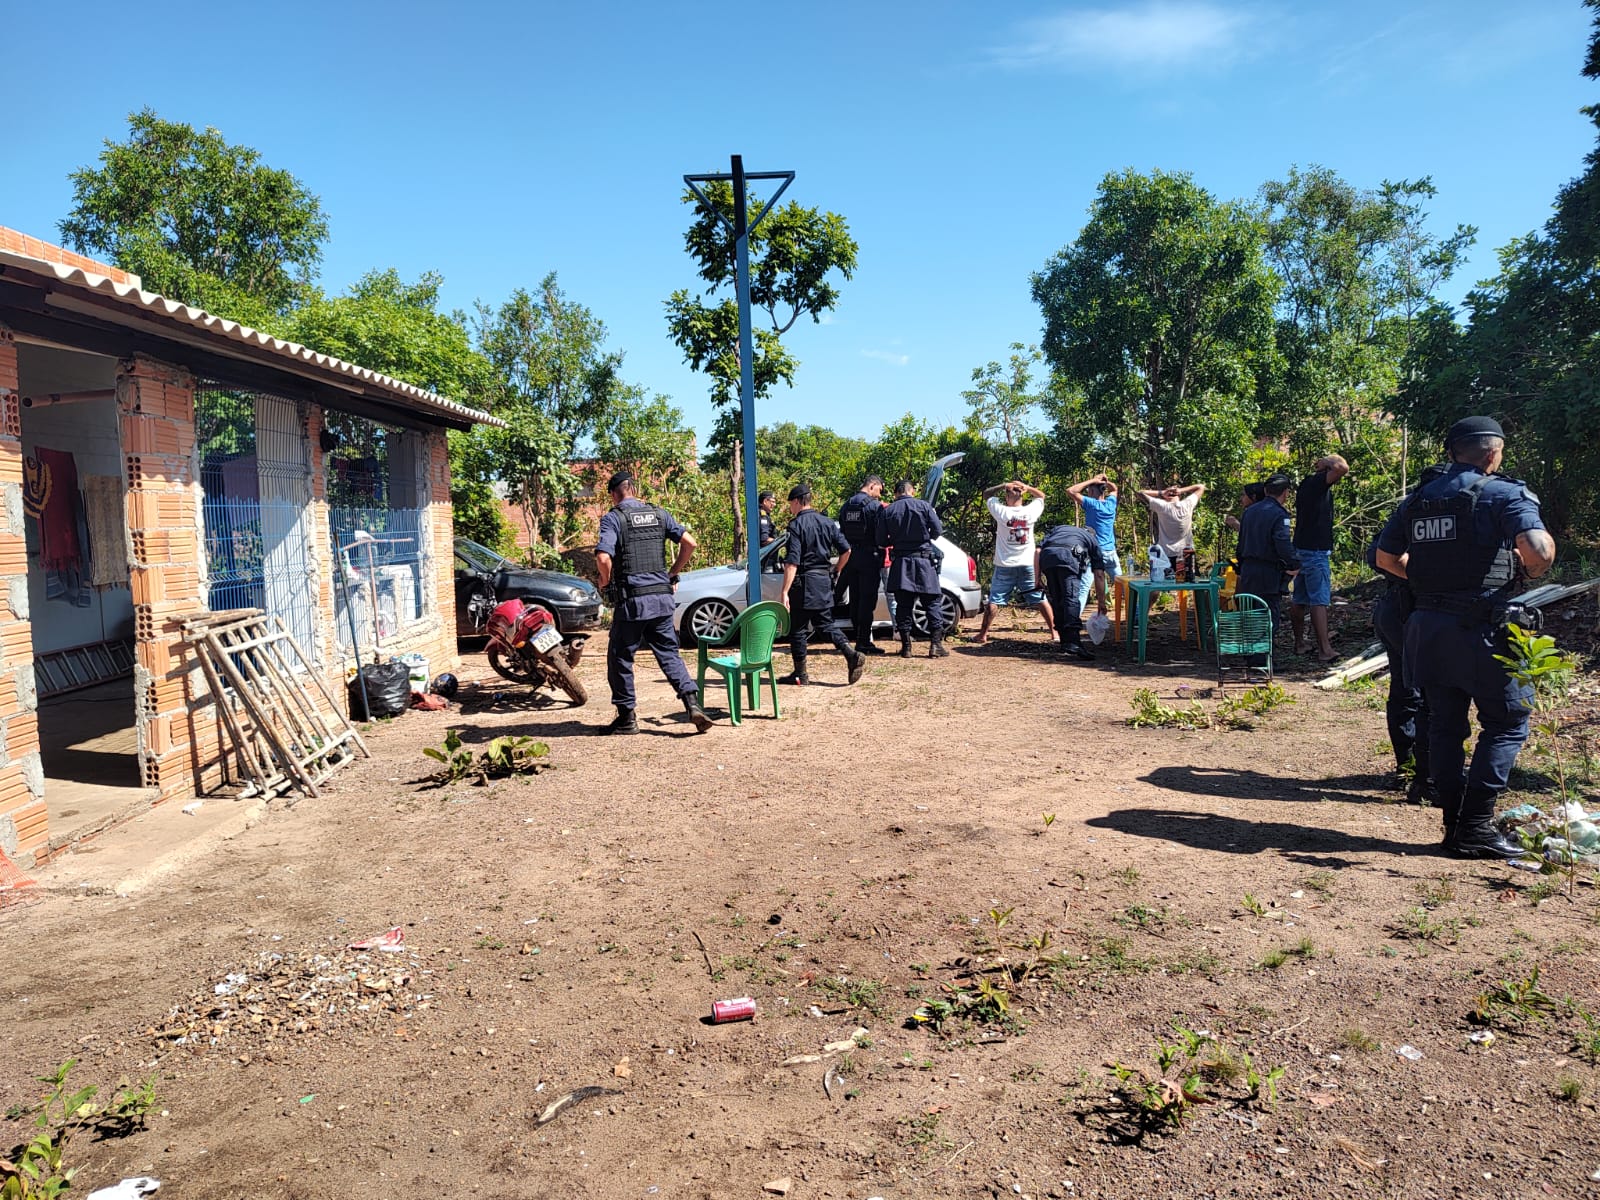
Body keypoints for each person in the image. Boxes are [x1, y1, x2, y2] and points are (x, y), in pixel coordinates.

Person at [1376, 417, 1557, 858]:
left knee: (1444, 724)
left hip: (1426, 627)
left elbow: (1384, 556)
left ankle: (1453, 825)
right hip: (1483, 629)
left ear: (1453, 451)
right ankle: (1475, 827)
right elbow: (1537, 550)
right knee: (1507, 722)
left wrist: (1423, 581)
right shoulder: (1504, 493)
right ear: (1493, 453)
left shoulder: (1417, 500)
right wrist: (1532, 567)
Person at [595, 471, 713, 735]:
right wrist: (672, 572)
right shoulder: (660, 514)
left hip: (632, 604)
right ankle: (692, 704)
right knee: (669, 654)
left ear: (614, 494)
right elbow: (690, 543)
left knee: (620, 658)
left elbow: (603, 558)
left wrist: (605, 581)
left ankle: (627, 718)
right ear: (633, 489)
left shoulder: (614, 518)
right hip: (661, 600)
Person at [1365, 464, 1448, 807]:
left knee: (1405, 689)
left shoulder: (1406, 512)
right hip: (1411, 611)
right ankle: (1424, 775)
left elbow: (1375, 556)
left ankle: (1409, 766)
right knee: (1429, 695)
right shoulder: (1437, 514)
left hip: (1393, 610)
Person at [777, 485, 866, 686]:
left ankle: (801, 674)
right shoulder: (827, 523)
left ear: (798, 501)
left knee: (798, 629)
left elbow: (792, 561)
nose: (790, 507)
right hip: (823, 581)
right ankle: (850, 654)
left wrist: (784, 591)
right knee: (825, 624)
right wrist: (837, 571)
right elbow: (847, 550)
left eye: (791, 503)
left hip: (804, 583)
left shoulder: (796, 526)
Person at [974, 480, 1053, 645]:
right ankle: (1054, 632)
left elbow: (987, 494)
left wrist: (1002, 485)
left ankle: (983, 634)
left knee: (995, 600)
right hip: (1028, 563)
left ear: (1006, 496)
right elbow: (1041, 496)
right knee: (1039, 598)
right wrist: (1028, 488)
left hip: (1005, 564)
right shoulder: (1030, 511)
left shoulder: (1001, 511)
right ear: (1022, 496)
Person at [1290, 454, 1351, 662]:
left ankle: (1299, 644)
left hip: (1301, 548)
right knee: (1319, 600)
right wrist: (1327, 460)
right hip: (1315, 550)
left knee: (1299, 598)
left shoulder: (1307, 485)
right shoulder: (1317, 483)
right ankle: (1325, 649)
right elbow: (1342, 468)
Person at [879, 479, 947, 658]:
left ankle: (906, 647)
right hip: (924, 561)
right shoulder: (924, 507)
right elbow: (938, 531)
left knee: (903, 605)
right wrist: (925, 539)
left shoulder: (889, 510)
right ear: (912, 491)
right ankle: (935, 645)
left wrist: (894, 542)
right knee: (932, 603)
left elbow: (880, 540)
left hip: (901, 563)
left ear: (896, 493)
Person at [1235, 473, 1300, 636]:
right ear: (1286, 493)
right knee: (1268, 616)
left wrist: (1241, 569)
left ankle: (1252, 657)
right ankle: (1264, 658)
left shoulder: (1249, 512)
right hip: (1268, 573)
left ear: (1266, 490)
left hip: (1249, 571)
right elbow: (1282, 542)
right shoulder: (1279, 514)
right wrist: (1295, 563)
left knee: (1251, 614)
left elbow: (1241, 543)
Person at [1036, 523, 1108, 661]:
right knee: (1071, 598)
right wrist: (1101, 602)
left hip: (1048, 558)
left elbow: (1038, 551)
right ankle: (1073, 642)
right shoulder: (1092, 540)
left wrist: (1037, 577)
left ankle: (1065, 641)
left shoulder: (1057, 529)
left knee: (1057, 599)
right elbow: (1099, 575)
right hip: (1068, 558)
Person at [836, 475, 888, 655]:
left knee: (855, 599)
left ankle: (858, 638)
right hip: (869, 557)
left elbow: (841, 533)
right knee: (867, 600)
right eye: (879, 490)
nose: (879, 495)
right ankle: (864, 641)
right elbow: (881, 535)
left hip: (851, 557)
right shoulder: (874, 507)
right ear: (872, 486)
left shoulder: (846, 505)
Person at [1067, 472, 1121, 616]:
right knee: (1123, 586)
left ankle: (1073, 620)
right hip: (1111, 553)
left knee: (1084, 588)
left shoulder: (1091, 504)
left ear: (1091, 491)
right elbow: (1115, 489)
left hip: (1094, 553)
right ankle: (1135, 617)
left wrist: (1093, 480)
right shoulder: (1110, 504)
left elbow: (1071, 491)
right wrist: (1106, 482)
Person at [1138, 481, 1205, 564]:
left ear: (1166, 496)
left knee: (1167, 577)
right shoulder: (1187, 504)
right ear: (1179, 495)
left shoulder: (1162, 506)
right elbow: (1201, 487)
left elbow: (1140, 493)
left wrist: (1162, 492)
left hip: (1167, 554)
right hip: (1187, 553)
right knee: (1187, 576)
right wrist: (1181, 490)